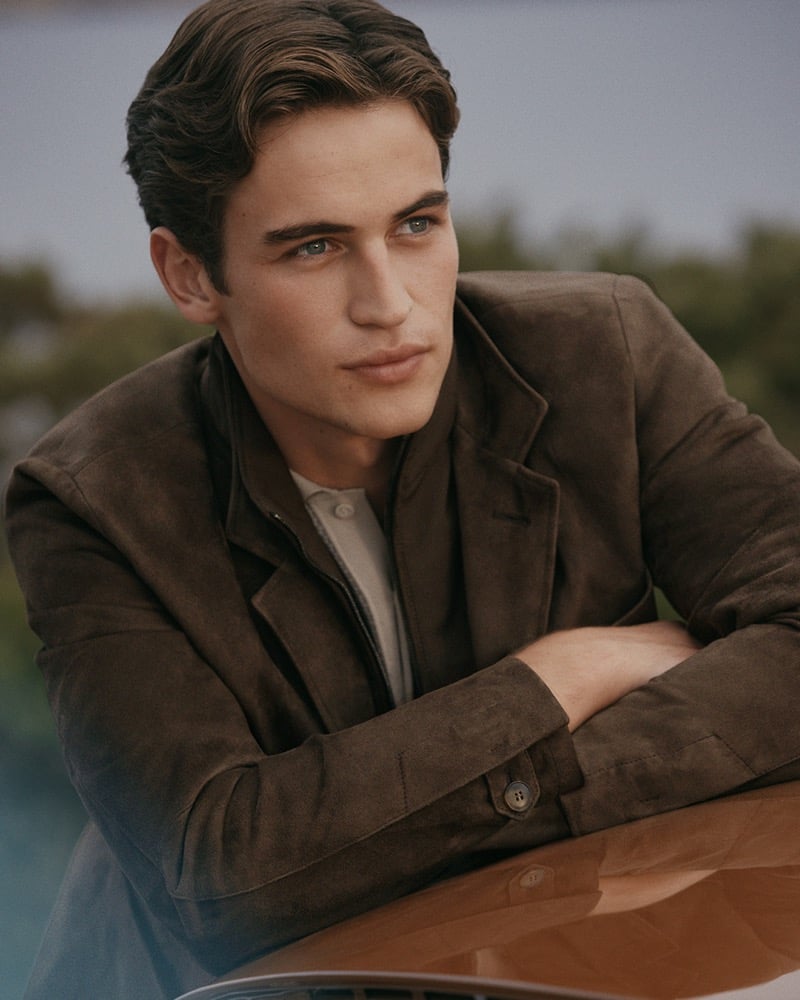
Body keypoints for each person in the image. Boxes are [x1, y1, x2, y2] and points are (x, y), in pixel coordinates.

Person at [5, 0, 799, 997]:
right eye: (313, 247)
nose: (390, 304)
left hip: (557, 973)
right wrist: (560, 677)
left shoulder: (604, 354)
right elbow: (220, 872)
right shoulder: (93, 500)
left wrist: (468, 803)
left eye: (416, 224)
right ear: (190, 274)